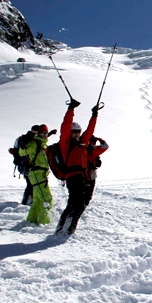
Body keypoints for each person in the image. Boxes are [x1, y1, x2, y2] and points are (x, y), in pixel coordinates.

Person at [54, 100, 98, 235]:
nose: (76, 134)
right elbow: (65, 126)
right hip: (72, 176)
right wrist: (71, 109)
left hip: (81, 176)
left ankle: (62, 227)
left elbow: (90, 130)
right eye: (74, 132)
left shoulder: (82, 144)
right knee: (78, 204)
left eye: (78, 132)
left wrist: (94, 115)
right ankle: (68, 229)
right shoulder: (65, 144)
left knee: (74, 203)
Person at [18, 124, 53, 225]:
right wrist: (23, 145)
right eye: (41, 133)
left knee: (38, 200)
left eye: (45, 133)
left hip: (41, 174)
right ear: (38, 133)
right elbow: (22, 153)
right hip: (36, 174)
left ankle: (31, 220)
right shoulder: (34, 143)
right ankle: (44, 222)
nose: (44, 135)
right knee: (47, 199)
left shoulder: (43, 144)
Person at [84, 135, 109, 207]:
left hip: (80, 174)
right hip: (91, 175)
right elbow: (106, 146)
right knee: (88, 195)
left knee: (79, 194)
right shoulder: (94, 149)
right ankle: (82, 207)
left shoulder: (81, 147)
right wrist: (99, 139)